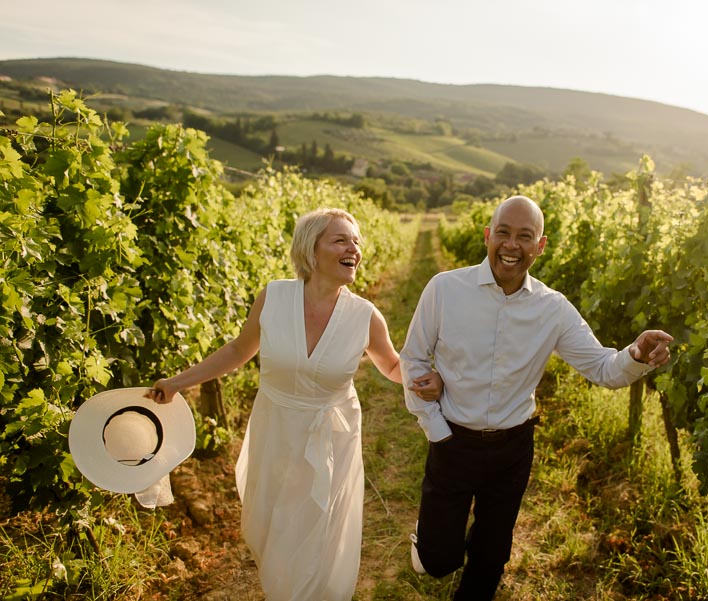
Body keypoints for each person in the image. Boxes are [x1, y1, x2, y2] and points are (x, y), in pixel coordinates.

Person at [147, 208, 443, 601]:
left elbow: (391, 364)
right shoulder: (274, 297)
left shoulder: (364, 316)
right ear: (311, 248)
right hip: (275, 429)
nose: (353, 248)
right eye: (341, 240)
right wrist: (179, 383)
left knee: (317, 538)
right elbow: (238, 349)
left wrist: (429, 380)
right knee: (269, 532)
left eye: (356, 241)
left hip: (332, 438)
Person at [399, 195, 672, 600]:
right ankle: (436, 538)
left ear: (540, 247)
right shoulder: (444, 289)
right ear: (488, 236)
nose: (512, 245)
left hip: (513, 448)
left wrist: (636, 354)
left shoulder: (553, 308)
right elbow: (414, 359)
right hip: (452, 439)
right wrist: (436, 428)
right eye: (504, 234)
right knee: (440, 560)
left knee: (491, 560)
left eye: (525, 237)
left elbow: (601, 367)